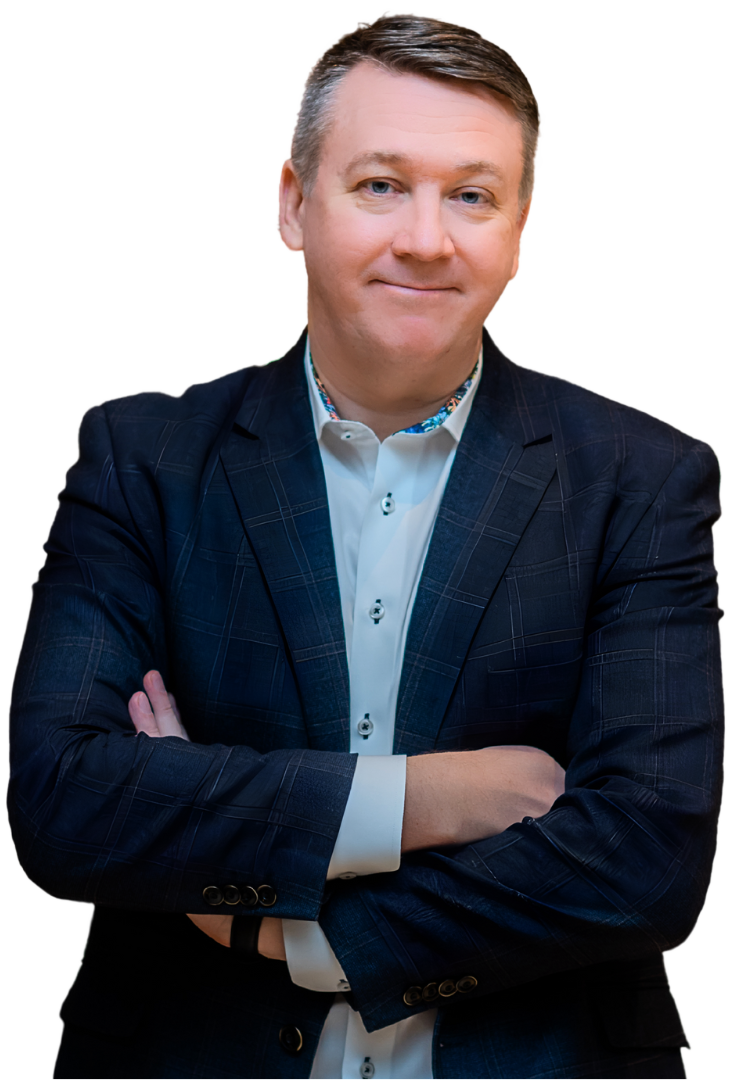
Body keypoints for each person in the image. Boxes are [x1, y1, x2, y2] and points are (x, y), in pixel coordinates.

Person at [8, 13, 723, 1080]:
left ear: (518, 228)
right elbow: (67, 804)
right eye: (380, 185)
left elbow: (645, 859)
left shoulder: (641, 480)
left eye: (471, 196)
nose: (427, 238)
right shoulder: (144, 462)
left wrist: (293, 933)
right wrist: (431, 800)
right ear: (294, 203)